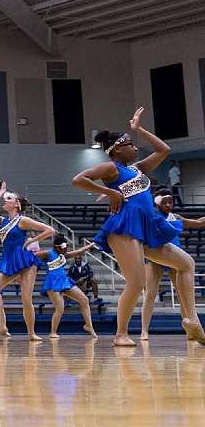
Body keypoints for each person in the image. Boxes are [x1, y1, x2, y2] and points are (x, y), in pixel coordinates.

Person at [72, 108, 205, 346]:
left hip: (146, 225)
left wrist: (139, 129)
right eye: (130, 143)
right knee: (136, 283)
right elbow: (79, 179)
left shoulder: (138, 169)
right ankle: (120, 334)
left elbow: (164, 150)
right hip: (124, 225)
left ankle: (191, 319)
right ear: (117, 149)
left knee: (186, 263)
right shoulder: (112, 168)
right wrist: (109, 191)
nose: (135, 147)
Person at [0, 182, 55, 341]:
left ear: (17, 204)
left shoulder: (23, 220)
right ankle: (0, 328)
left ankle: (31, 333)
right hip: (7, 260)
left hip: (24, 261)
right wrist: (0, 194)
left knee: (26, 299)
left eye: (8, 198)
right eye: (5, 198)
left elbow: (50, 230)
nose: (5, 201)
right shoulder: (2, 221)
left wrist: (33, 240)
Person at [140, 189, 205, 340]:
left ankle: (190, 330)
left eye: (171, 201)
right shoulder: (152, 215)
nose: (169, 204)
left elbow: (199, 223)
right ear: (157, 203)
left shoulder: (175, 216)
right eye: (165, 202)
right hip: (155, 255)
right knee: (150, 293)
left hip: (174, 257)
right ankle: (144, 331)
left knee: (183, 294)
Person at [29, 235, 99, 339]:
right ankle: (53, 332)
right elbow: (33, 255)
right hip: (52, 282)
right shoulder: (48, 253)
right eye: (63, 247)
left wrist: (90, 245)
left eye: (66, 247)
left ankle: (89, 326)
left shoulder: (63, 255)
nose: (65, 249)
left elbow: (79, 251)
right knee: (60, 308)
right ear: (56, 247)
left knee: (84, 300)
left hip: (64, 281)